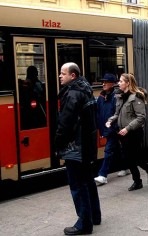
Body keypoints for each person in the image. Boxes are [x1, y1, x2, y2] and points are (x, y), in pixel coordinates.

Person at [55, 62, 101, 235]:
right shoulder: (86, 89)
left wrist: (57, 143)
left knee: (77, 186)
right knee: (88, 181)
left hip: (76, 147)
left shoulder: (73, 94)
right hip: (87, 145)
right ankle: (94, 216)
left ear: (72, 76)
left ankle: (84, 223)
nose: (60, 76)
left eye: (63, 73)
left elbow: (65, 123)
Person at [106, 73, 148, 191]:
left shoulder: (136, 97)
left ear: (128, 83)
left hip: (134, 132)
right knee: (128, 158)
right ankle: (138, 181)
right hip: (122, 133)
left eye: (121, 81)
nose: (119, 83)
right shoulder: (119, 96)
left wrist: (127, 128)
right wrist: (110, 121)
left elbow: (141, 117)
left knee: (134, 157)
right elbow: (117, 114)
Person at [94, 73, 130, 185]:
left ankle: (103, 175)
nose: (103, 84)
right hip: (105, 128)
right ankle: (125, 167)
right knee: (117, 149)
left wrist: (113, 126)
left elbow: (117, 113)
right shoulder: (101, 97)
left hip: (114, 128)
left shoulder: (116, 97)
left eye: (106, 82)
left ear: (112, 84)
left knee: (108, 150)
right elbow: (98, 112)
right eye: (103, 82)